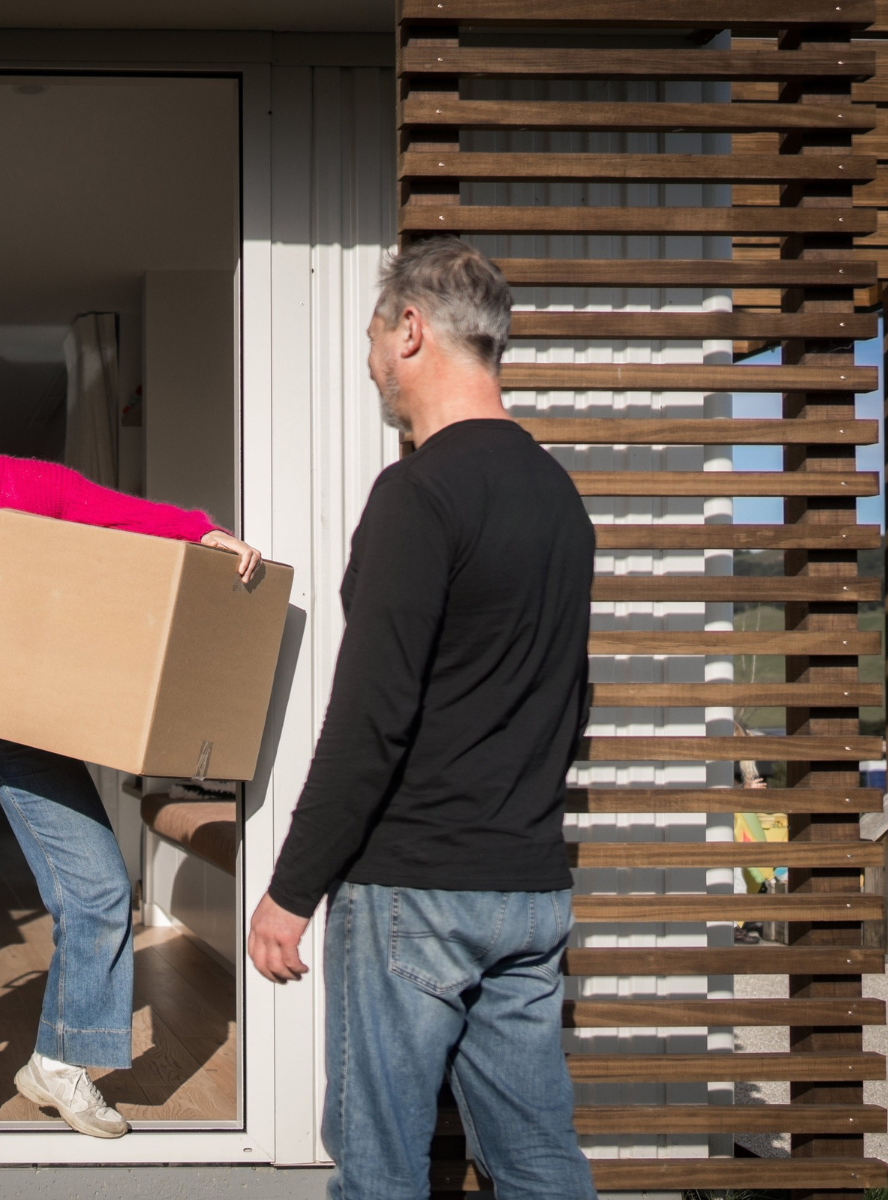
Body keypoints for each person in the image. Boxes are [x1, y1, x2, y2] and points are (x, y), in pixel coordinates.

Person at [245, 236, 597, 1200]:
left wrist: (290, 890)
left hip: (416, 891)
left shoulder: (419, 494)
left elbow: (371, 717)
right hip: (526, 889)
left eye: (370, 335)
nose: (368, 362)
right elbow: (567, 697)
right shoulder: (560, 499)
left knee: (381, 1172)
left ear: (410, 330)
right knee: (537, 1164)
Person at [0, 364, 258, 1140]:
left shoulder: (27, 482)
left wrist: (198, 530)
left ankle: (60, 1064)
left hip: (34, 715)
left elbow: (115, 515)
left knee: (100, 889)